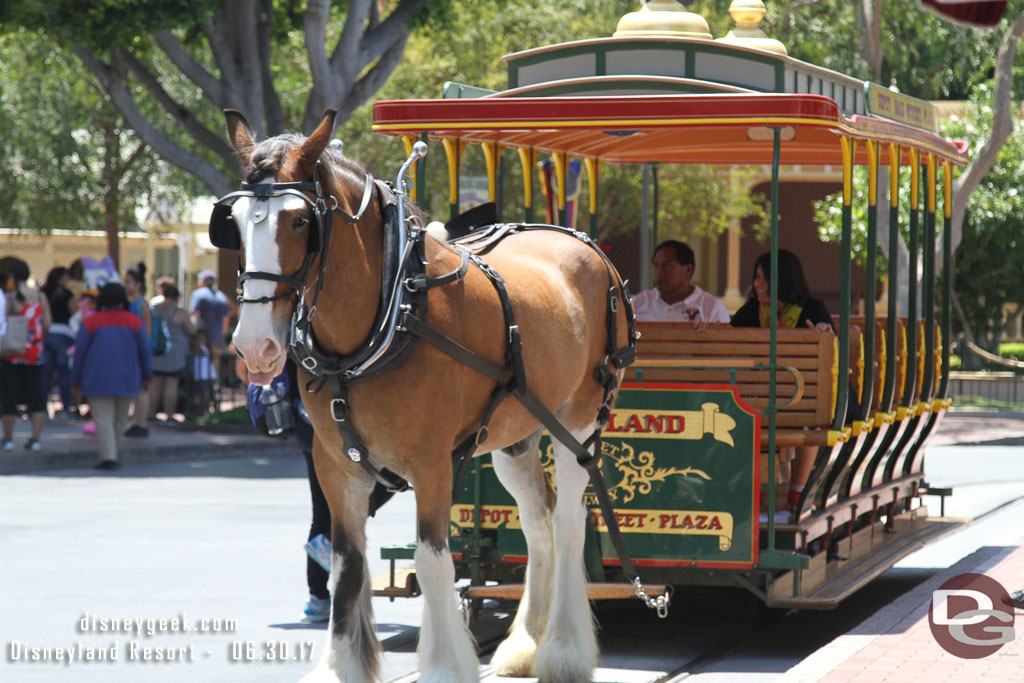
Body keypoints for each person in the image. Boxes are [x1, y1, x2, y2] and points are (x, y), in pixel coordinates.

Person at [730, 249, 835, 518]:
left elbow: (831, 346)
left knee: (811, 416)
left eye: (764, 278)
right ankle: (755, 493)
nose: (757, 284)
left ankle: (797, 494)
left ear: (783, 279)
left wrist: (824, 335)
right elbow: (729, 341)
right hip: (760, 395)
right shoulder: (752, 311)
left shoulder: (812, 309)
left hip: (803, 396)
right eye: (756, 277)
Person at [244, 358, 332, 623]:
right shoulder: (311, 326)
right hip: (325, 424)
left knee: (323, 513)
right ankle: (329, 542)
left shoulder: (286, 331)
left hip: (303, 424)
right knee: (385, 481)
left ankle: (317, 598)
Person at [71, 283, 152, 470]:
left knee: (103, 418)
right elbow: (145, 351)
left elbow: (80, 353)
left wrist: (75, 379)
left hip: (97, 377)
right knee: (120, 418)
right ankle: (113, 454)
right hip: (128, 378)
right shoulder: (134, 322)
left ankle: (109, 457)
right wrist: (147, 377)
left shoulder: (91, 322)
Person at [2, 260, 52, 451]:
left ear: (13, 277)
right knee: (36, 397)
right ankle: (36, 439)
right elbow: (47, 324)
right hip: (35, 354)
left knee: (9, 397)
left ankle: (8, 439)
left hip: (12, 354)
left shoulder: (11, 298)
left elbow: (3, 322)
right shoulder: (40, 297)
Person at [633, 240, 730, 323]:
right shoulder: (639, 303)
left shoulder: (711, 308)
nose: (659, 272)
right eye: (656, 265)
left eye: (666, 265)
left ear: (688, 269)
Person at [149, 281, 196, 421]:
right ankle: (169, 416)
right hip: (175, 353)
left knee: (155, 384)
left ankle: (151, 415)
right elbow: (192, 329)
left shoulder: (154, 309)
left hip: (157, 350)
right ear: (177, 297)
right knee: (171, 383)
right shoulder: (179, 311)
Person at [41, 266, 79, 419]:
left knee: (46, 374)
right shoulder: (67, 294)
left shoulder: (42, 292)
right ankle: (66, 410)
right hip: (63, 335)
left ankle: (40, 409)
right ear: (62, 277)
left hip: (46, 334)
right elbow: (75, 313)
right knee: (64, 374)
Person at [124, 263, 153, 437]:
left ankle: (141, 423)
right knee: (137, 389)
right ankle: (137, 421)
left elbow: (147, 332)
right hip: (134, 351)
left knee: (142, 388)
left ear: (138, 285)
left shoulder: (142, 305)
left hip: (140, 352)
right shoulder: (134, 304)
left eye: (128, 282)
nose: (126, 285)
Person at [189, 269, 230, 381]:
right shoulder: (221, 296)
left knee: (201, 368)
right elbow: (226, 318)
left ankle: (203, 394)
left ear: (202, 281)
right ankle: (214, 390)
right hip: (218, 339)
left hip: (202, 339)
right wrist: (223, 336)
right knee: (215, 369)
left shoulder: (198, 294)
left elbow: (195, 315)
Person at [190, 328, 216, 414]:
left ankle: (205, 410)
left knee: (206, 393)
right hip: (200, 375)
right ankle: (202, 409)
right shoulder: (201, 348)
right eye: (198, 338)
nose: (199, 340)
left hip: (205, 375)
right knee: (201, 393)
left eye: (202, 338)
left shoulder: (204, 348)